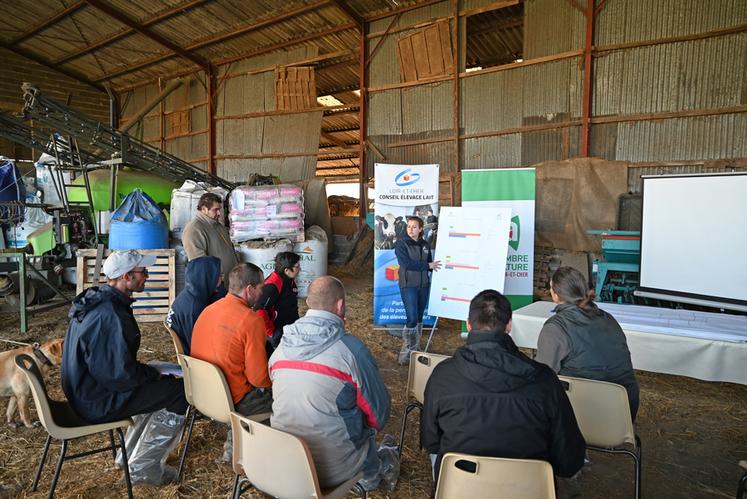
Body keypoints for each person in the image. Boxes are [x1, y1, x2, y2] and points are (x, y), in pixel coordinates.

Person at [421, 289, 586, 484]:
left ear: (468, 324)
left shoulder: (443, 375)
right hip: (526, 490)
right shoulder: (545, 380)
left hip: (461, 488)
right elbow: (569, 461)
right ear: (509, 325)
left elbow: (430, 440)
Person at [269, 276, 391, 491]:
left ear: (308, 303)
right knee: (365, 431)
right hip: (334, 469)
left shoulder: (279, 349)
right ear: (341, 305)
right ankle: (370, 479)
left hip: (283, 464)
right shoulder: (352, 351)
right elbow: (377, 415)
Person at [62, 250, 188, 424]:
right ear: (126, 276)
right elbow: (118, 376)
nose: (147, 276)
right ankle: (149, 449)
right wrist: (151, 373)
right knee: (179, 390)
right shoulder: (109, 315)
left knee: (165, 383)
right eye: (143, 272)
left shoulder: (99, 302)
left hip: (87, 392)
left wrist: (150, 374)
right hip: (97, 402)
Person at [191, 262, 273, 461]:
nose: (263, 292)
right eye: (261, 287)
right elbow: (258, 379)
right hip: (234, 401)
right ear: (250, 289)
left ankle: (234, 447)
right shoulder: (251, 320)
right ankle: (265, 455)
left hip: (203, 394)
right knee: (289, 399)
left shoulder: (208, 310)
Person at [536, 266, 640, 420]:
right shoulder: (608, 319)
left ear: (555, 295)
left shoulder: (556, 328)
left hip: (582, 416)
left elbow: (542, 378)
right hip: (624, 413)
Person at [394, 216, 441, 365]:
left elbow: (431, 264)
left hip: (423, 286)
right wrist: (427, 266)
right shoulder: (401, 244)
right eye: (409, 226)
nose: (410, 229)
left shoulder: (425, 244)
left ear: (421, 229)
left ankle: (416, 349)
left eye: (414, 227)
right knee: (412, 318)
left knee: (419, 319)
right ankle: (406, 354)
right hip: (408, 286)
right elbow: (406, 264)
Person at [165, 256, 223, 354]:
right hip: (196, 360)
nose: (222, 280)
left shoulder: (191, 293)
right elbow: (198, 346)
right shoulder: (194, 308)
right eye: (219, 276)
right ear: (207, 277)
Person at [182, 192, 238, 287]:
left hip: (229, 285)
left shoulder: (218, 226)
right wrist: (216, 281)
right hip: (215, 287)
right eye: (215, 210)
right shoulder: (193, 229)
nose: (219, 213)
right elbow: (199, 262)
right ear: (204, 209)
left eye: (219, 210)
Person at [253, 251, 301, 351]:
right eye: (297, 266)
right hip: (278, 330)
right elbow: (259, 309)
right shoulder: (272, 286)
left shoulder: (288, 279)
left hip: (288, 325)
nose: (300, 269)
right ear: (287, 270)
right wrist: (271, 333)